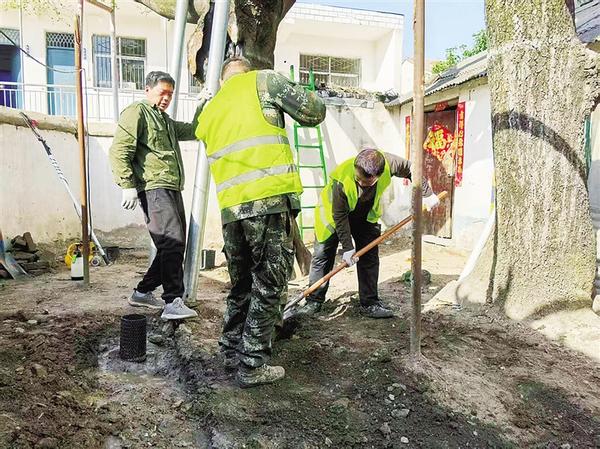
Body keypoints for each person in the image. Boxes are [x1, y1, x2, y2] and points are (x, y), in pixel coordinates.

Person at [195, 57, 326, 388]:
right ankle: (252, 365)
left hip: (231, 211)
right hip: (266, 201)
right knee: (269, 285)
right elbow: (314, 112)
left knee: (241, 286)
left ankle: (230, 350)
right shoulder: (263, 81)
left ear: (222, 80)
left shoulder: (209, 111)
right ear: (247, 72)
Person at [293, 148, 440, 319]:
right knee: (323, 255)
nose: (360, 183)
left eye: (365, 182)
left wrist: (427, 193)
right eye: (358, 179)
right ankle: (314, 301)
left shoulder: (389, 163)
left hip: (366, 215)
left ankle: (370, 303)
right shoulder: (341, 180)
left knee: (369, 256)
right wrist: (348, 248)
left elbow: (411, 169)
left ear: (378, 175)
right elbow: (339, 216)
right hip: (333, 216)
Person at [109, 71, 206, 321]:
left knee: (172, 245)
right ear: (147, 90)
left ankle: (142, 292)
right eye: (162, 92)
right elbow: (119, 150)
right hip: (153, 187)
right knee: (172, 242)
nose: (166, 98)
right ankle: (173, 301)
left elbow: (195, 131)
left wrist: (200, 106)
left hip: (171, 187)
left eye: (170, 94)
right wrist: (127, 185)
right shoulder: (137, 112)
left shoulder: (165, 121)